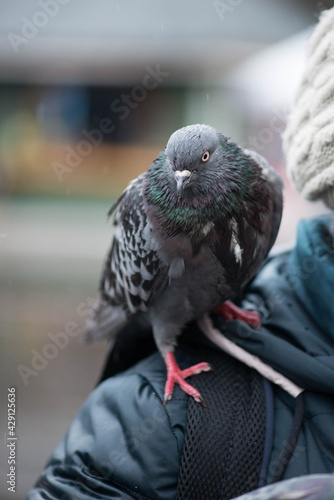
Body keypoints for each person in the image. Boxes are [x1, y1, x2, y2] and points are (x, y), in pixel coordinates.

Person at [27, 8, 334, 500]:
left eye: (198, 164)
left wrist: (221, 296)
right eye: (176, 169)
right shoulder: (146, 425)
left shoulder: (265, 186)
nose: (182, 177)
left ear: (216, 154)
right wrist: (167, 356)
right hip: (161, 326)